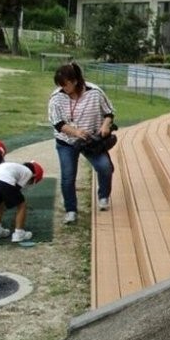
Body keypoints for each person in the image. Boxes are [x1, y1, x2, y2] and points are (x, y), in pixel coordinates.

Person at [48, 62, 116, 224]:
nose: (63, 88)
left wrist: (105, 126)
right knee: (68, 177)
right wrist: (75, 132)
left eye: (65, 84)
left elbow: (109, 112)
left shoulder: (95, 93)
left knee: (105, 168)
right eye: (60, 85)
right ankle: (71, 210)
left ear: (75, 81)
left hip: (90, 141)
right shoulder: (56, 98)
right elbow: (57, 123)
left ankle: (104, 196)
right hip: (66, 141)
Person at [0, 160, 44, 243]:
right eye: (31, 182)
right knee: (22, 205)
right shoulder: (28, 173)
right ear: (34, 176)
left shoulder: (15, 166)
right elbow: (16, 189)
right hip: (5, 181)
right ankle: (19, 233)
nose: (29, 183)